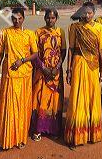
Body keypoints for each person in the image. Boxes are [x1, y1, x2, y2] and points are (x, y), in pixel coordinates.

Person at [0, 7, 37, 151]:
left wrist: (22, 60)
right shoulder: (5, 33)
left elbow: (35, 54)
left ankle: (20, 138)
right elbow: (0, 55)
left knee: (22, 106)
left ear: (24, 18)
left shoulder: (29, 34)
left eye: (20, 19)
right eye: (14, 19)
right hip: (9, 75)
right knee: (8, 106)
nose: (17, 21)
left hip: (24, 75)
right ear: (11, 19)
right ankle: (5, 138)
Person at [64, 1, 102, 148]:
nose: (87, 15)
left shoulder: (99, 27)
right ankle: (77, 133)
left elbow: (101, 50)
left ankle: (92, 132)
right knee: (78, 96)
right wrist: (68, 70)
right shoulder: (74, 27)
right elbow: (71, 49)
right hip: (79, 63)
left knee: (93, 96)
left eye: (90, 13)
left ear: (94, 13)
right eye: (85, 13)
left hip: (93, 66)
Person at [30, 8, 66, 140]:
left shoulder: (60, 32)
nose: (50, 20)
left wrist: (57, 67)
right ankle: (38, 129)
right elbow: (35, 53)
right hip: (42, 72)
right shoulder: (38, 32)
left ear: (56, 18)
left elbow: (63, 51)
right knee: (40, 99)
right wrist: (43, 68)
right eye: (48, 17)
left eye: (53, 18)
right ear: (44, 18)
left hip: (56, 72)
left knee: (54, 101)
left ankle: (53, 129)